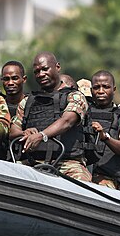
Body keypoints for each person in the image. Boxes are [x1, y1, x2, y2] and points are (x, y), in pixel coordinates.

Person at [9, 52, 91, 181]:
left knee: (82, 185)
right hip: (32, 163)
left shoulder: (74, 96)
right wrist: (24, 133)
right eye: (37, 72)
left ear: (57, 67)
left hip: (67, 164)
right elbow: (13, 131)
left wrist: (41, 135)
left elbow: (67, 121)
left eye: (45, 69)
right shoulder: (28, 101)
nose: (41, 74)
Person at [85, 70, 120, 189]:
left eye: (105, 87)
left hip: (107, 178)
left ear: (113, 89)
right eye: (97, 87)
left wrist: (105, 137)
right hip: (81, 172)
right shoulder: (81, 114)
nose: (101, 91)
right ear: (91, 90)